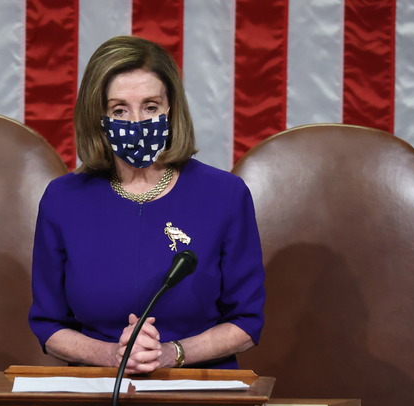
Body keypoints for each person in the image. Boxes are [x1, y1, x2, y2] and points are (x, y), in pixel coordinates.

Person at [28, 36, 265, 374]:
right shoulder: (63, 199)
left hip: (202, 388)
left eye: (151, 107)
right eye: (119, 110)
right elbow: (49, 326)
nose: (137, 122)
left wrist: (170, 354)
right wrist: (114, 355)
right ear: (99, 117)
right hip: (97, 387)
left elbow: (247, 322)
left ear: (171, 110)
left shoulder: (225, 194)